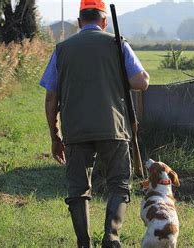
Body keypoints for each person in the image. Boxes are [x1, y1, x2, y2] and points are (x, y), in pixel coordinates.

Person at [39, 0, 150, 247]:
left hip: (75, 129)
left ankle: (83, 242)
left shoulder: (62, 50)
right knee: (119, 183)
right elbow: (141, 82)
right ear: (104, 21)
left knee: (78, 188)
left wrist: (54, 135)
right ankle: (111, 236)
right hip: (114, 126)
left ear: (79, 23)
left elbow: (50, 96)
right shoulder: (117, 44)